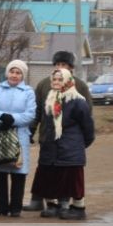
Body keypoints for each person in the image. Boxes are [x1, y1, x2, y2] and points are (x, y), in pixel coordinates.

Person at [25, 51, 93, 214]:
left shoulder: (79, 88)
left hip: (70, 143)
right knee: (48, 172)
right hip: (48, 139)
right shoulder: (44, 86)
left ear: (70, 69)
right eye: (57, 65)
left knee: (67, 174)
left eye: (64, 65)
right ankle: (49, 203)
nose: (60, 69)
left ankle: (67, 204)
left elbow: (86, 117)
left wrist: (83, 142)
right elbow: (38, 112)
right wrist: (31, 131)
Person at [0, 59, 36, 218]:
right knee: (0, 173)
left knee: (18, 173)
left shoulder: (28, 92)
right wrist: (2, 117)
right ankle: (1, 206)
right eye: (12, 71)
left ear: (23, 75)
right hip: (0, 135)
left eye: (18, 72)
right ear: (7, 73)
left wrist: (12, 119)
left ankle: (16, 207)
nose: (14, 75)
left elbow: (30, 115)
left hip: (19, 137)